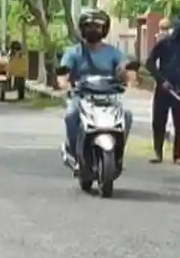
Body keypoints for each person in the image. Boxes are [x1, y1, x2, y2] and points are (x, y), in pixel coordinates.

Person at [57, 8, 133, 160]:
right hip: (82, 96)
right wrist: (65, 85)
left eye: (97, 27)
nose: (93, 30)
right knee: (71, 116)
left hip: (109, 97)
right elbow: (63, 75)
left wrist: (126, 75)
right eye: (89, 26)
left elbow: (126, 70)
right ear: (83, 29)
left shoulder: (114, 53)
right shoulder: (73, 53)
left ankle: (117, 152)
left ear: (104, 30)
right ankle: (74, 152)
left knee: (126, 116)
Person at [145, 16, 180, 164]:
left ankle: (178, 156)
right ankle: (158, 153)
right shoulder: (165, 44)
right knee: (158, 122)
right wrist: (161, 80)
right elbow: (149, 63)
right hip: (164, 89)